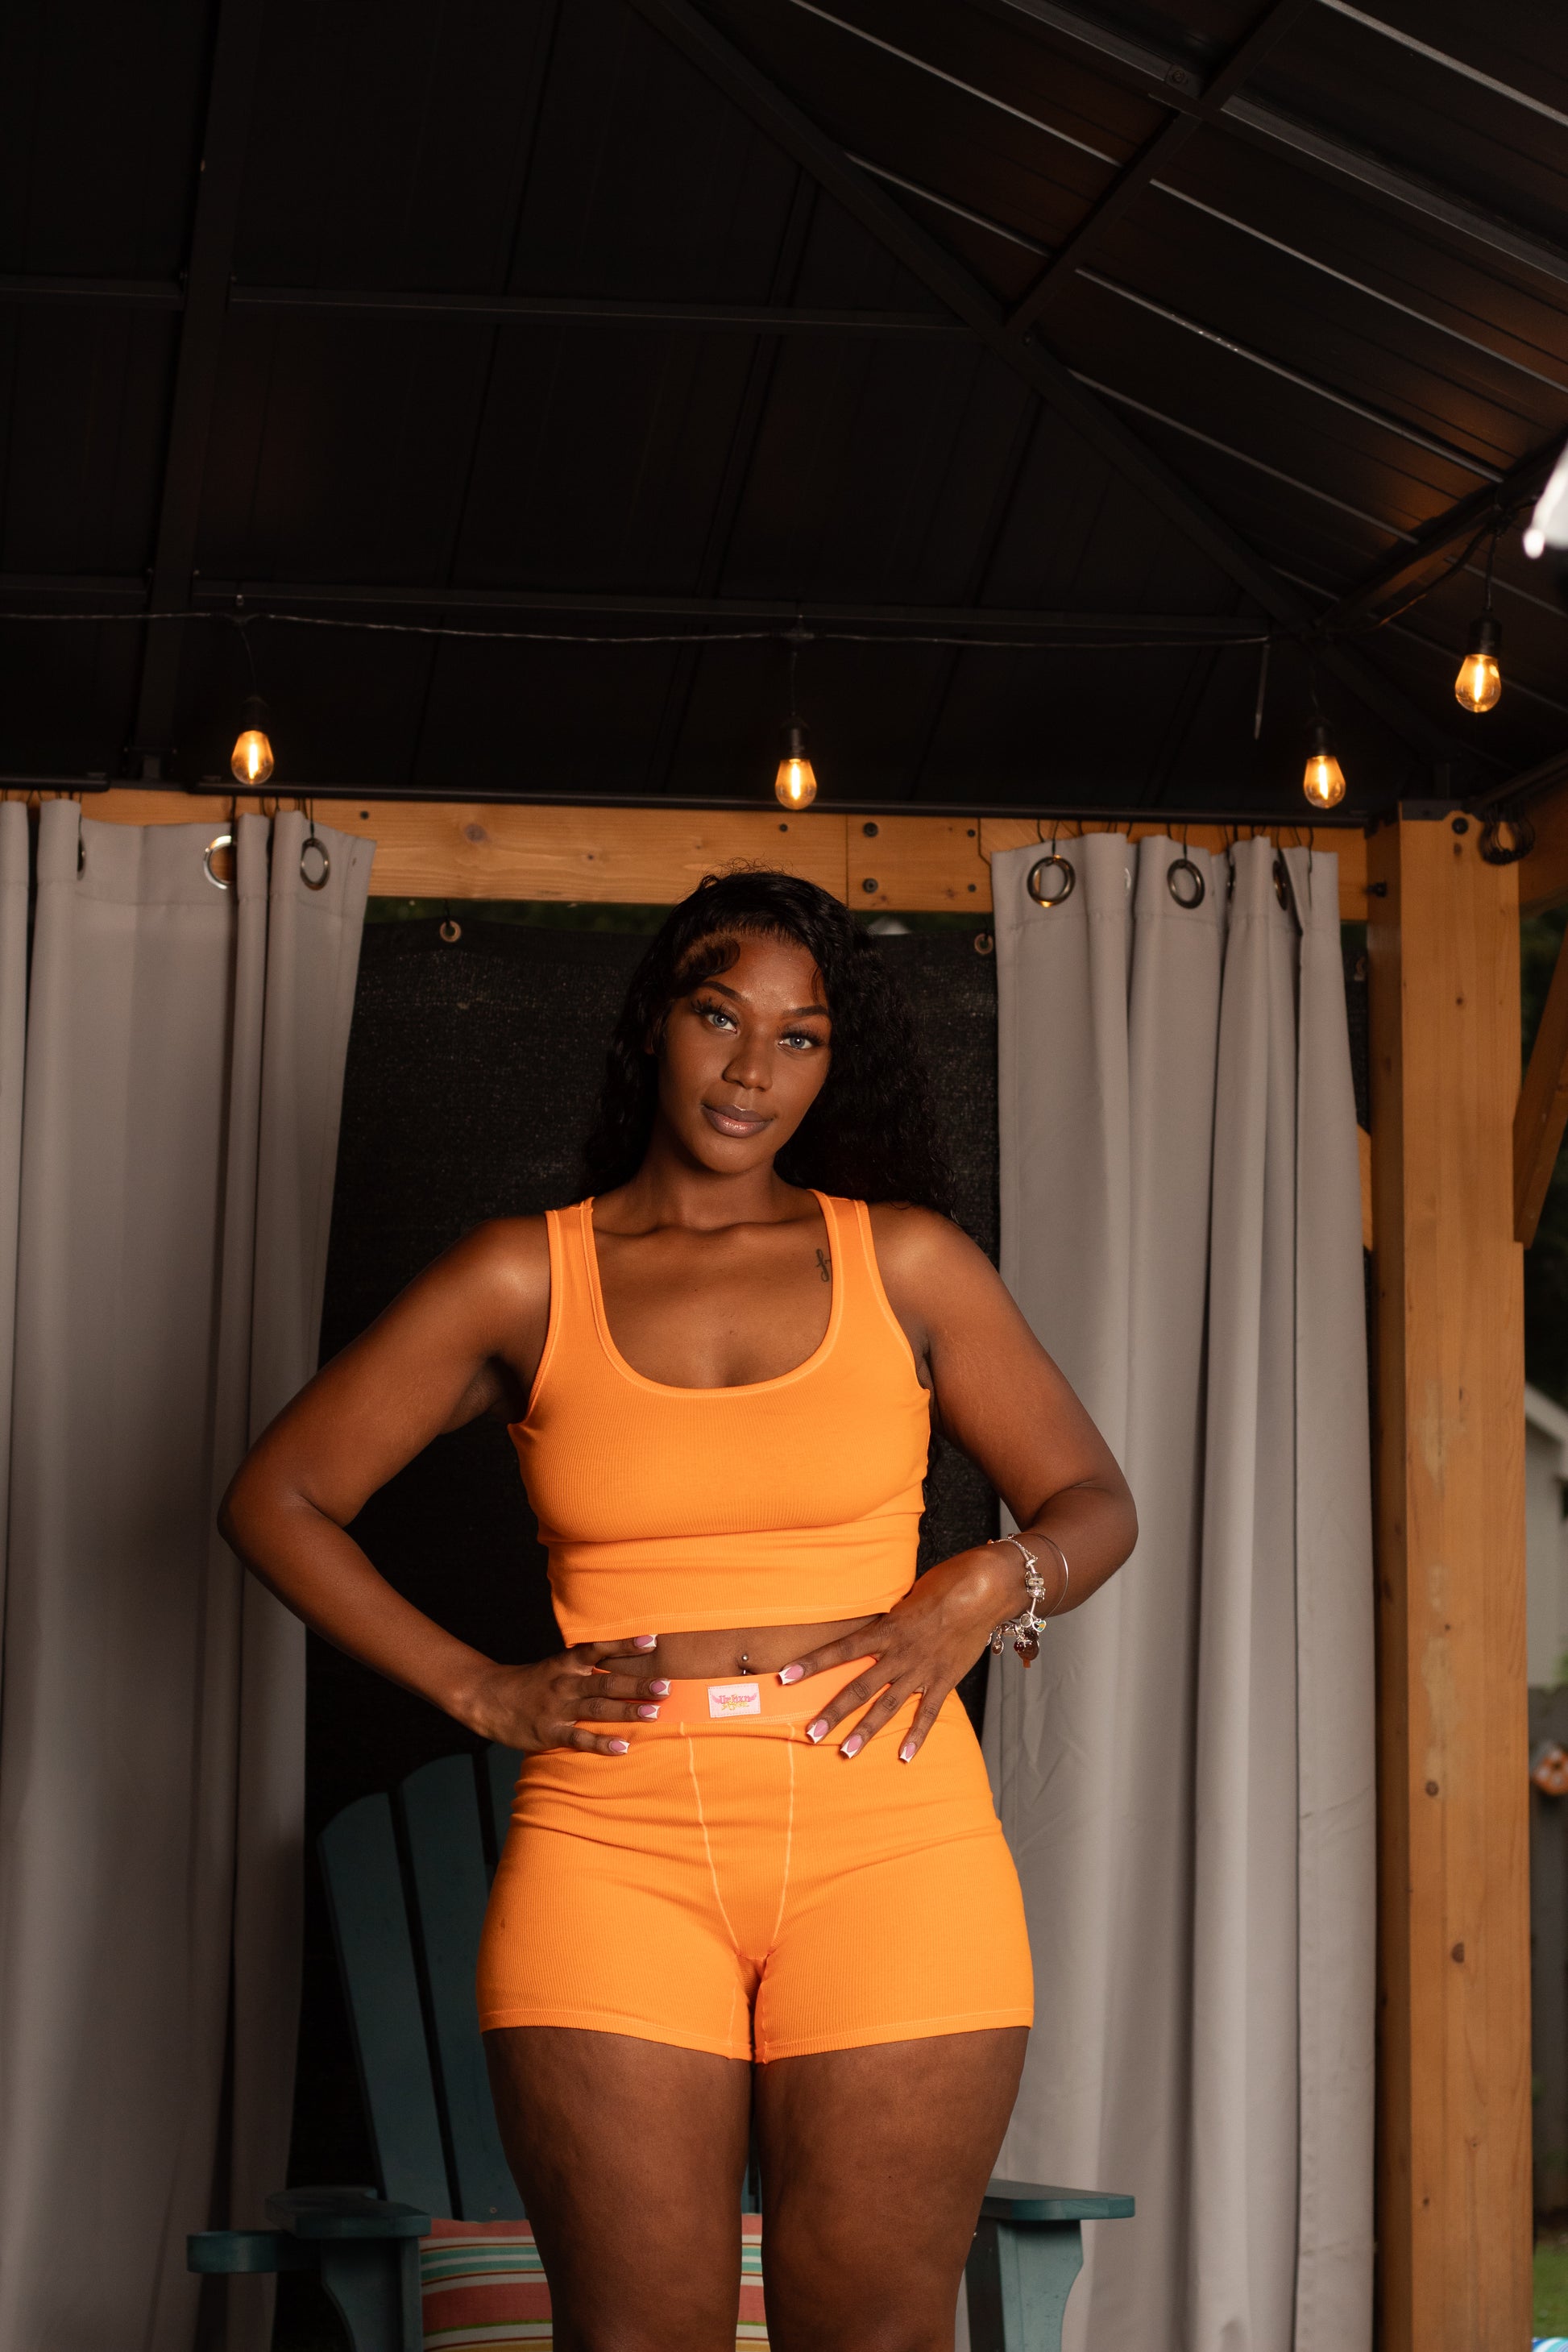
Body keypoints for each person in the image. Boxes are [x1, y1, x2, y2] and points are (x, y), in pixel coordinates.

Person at [221, 869, 1136, 2352]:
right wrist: (478, 1687)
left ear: (832, 1063)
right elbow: (277, 1498)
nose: (751, 1070)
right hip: (613, 1846)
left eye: (799, 1037)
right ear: (656, 1021)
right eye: (721, 1017)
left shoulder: (905, 1260)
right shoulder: (525, 1276)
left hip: (890, 1835)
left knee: (877, 2335)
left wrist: (981, 1585)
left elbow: (1093, 1501)